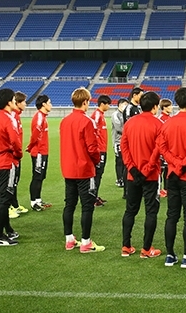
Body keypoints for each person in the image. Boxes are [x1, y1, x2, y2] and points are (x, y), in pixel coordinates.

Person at [156, 87, 186, 268]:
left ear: (176, 102)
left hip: (172, 174)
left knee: (172, 215)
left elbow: (162, 147)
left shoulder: (166, 123)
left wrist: (175, 164)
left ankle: (170, 255)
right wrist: (183, 163)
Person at [60, 87, 104, 253]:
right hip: (84, 169)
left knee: (69, 204)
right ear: (85, 102)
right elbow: (92, 148)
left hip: (68, 168)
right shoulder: (87, 121)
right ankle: (86, 242)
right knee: (87, 206)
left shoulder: (65, 121)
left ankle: (69, 239)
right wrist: (97, 161)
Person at [121, 91, 163, 259]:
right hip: (151, 175)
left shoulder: (130, 123)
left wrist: (132, 168)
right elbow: (157, 149)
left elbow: (124, 148)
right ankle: (146, 249)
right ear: (155, 107)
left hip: (133, 175)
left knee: (130, 210)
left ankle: (126, 246)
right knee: (151, 211)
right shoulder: (159, 124)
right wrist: (146, 170)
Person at [0, 88, 22, 246]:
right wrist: (18, 154)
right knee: (4, 200)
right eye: (15, 99)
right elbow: (15, 141)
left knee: (2, 198)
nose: (16, 102)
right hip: (7, 162)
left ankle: (7, 229)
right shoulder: (9, 119)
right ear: (9, 102)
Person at [27, 94, 53, 212]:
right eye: (49, 102)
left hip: (43, 152)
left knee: (41, 176)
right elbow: (35, 135)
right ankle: (33, 202)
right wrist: (31, 146)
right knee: (37, 177)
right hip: (38, 152)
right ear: (43, 104)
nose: (51, 105)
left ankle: (38, 199)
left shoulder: (43, 117)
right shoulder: (39, 117)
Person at [8, 91, 28, 219]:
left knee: (15, 180)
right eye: (24, 102)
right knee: (11, 181)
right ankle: (9, 207)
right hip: (12, 156)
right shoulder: (13, 116)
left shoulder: (16, 116)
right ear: (18, 103)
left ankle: (14, 205)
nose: (26, 104)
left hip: (16, 154)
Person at [90, 94, 111, 207]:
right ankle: (92, 198)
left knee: (99, 174)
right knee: (96, 174)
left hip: (103, 148)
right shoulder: (97, 115)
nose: (109, 106)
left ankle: (95, 196)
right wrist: (97, 149)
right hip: (99, 150)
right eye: (108, 104)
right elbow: (92, 133)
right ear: (102, 104)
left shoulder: (101, 115)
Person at [157, 98, 173, 198]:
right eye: (170, 106)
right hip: (163, 148)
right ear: (164, 107)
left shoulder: (170, 118)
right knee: (161, 169)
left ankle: (166, 189)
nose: (172, 107)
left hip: (170, 148)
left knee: (168, 169)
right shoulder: (161, 119)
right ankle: (159, 189)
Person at [112, 98, 128, 189]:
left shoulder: (124, 114)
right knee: (119, 161)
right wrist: (129, 132)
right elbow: (118, 128)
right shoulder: (115, 114)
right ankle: (119, 179)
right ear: (120, 104)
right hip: (118, 141)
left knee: (124, 160)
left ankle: (122, 178)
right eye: (124, 104)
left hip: (124, 141)